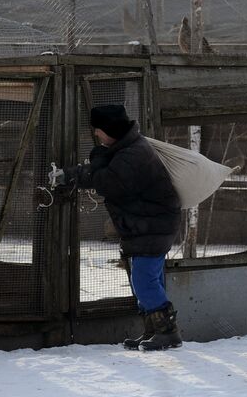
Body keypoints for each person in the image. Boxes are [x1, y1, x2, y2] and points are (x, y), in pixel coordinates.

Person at [60, 103, 183, 351]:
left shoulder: (132, 154)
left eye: (98, 129)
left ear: (110, 129)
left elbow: (108, 181)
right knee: (148, 278)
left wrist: (74, 174)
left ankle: (167, 332)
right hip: (150, 223)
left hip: (152, 225)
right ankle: (153, 330)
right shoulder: (125, 148)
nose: (96, 134)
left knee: (143, 279)